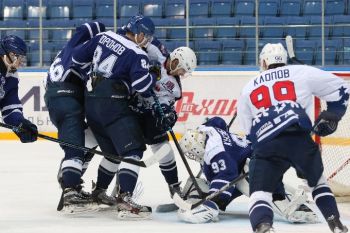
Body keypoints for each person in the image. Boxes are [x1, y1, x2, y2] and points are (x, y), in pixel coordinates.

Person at [237, 43, 349, 233]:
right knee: (318, 183)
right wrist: (334, 114)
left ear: (263, 62)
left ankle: (264, 226)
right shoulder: (301, 72)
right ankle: (335, 223)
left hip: (267, 143)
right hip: (300, 139)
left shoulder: (248, 87)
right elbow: (342, 88)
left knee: (260, 194)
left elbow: (248, 130)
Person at [71, 15, 157, 219]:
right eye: (146, 36)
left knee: (111, 151)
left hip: (91, 102)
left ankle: (99, 192)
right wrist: (153, 75)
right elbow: (143, 87)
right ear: (138, 33)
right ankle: (125, 198)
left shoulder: (103, 36)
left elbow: (76, 57)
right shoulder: (137, 53)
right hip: (112, 103)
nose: (146, 41)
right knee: (133, 149)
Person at [176, 117, 319, 224]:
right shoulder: (207, 129)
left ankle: (293, 208)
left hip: (254, 164)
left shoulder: (216, 153)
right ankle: (192, 196)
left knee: (251, 180)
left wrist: (213, 203)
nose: (192, 156)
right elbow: (218, 121)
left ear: (197, 147)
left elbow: (227, 175)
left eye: (192, 152)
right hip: (246, 157)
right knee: (202, 182)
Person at [44, 22, 106, 213]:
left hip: (57, 97)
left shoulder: (69, 48)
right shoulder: (84, 51)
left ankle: (71, 177)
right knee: (75, 148)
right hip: (66, 96)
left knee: (90, 138)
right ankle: (70, 188)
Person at [0, 35, 38, 143]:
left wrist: (20, 124)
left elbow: (9, 108)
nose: (20, 61)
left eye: (22, 57)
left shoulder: (12, 75)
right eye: (17, 56)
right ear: (6, 53)